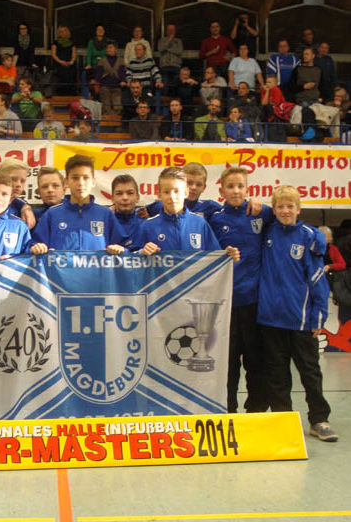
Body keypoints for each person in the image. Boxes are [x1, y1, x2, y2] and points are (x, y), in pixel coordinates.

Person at [258, 185, 337, 442]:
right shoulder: (266, 232)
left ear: (298, 209)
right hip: (270, 319)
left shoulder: (309, 237)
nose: (285, 211)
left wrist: (318, 316)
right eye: (280, 206)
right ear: (274, 209)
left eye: (290, 206)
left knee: (310, 372)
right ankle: (283, 420)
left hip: (301, 321)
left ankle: (319, 420)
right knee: (277, 374)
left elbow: (317, 280)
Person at [209, 167, 273, 413]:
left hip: (255, 302)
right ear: (221, 190)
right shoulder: (215, 219)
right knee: (228, 362)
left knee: (256, 360)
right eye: (230, 186)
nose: (236, 191)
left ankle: (257, 410)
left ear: (248, 189)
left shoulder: (262, 213)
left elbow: (288, 215)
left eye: (240, 186)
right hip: (225, 303)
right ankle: (228, 409)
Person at [136, 167, 239, 262]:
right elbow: (132, 260)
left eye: (176, 191)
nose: (172, 197)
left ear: (186, 193)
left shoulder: (200, 223)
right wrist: (141, 252)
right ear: (159, 195)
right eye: (166, 192)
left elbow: (215, 259)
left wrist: (229, 257)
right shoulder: (148, 226)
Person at [33, 154, 126, 253]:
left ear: (93, 181)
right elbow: (34, 246)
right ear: (66, 182)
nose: (81, 183)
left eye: (86, 178)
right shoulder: (51, 214)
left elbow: (125, 246)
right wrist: (37, 248)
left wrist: (121, 249)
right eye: (75, 178)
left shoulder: (106, 214)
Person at [142, 162, 222, 220]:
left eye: (199, 184)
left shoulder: (210, 207)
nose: (193, 187)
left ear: (204, 188)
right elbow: (139, 213)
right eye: (189, 183)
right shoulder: (160, 205)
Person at [0, 158, 35, 229]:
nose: (18, 184)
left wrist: (25, 205)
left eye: (22, 181)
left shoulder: (21, 210)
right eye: (13, 179)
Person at [111, 174, 144, 251]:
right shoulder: (106, 224)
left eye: (130, 193)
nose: (125, 198)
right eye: (119, 193)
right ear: (112, 198)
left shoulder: (146, 224)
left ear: (138, 197)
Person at [95, 41, 125, 115]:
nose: (109, 49)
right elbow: (98, 76)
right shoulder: (101, 61)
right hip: (105, 87)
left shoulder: (121, 61)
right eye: (107, 48)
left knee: (118, 106)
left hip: (117, 87)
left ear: (115, 49)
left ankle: (114, 119)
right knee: (106, 106)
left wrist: (122, 81)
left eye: (111, 47)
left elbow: (122, 74)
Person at [157, 24, 183, 96]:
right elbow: (160, 49)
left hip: (175, 65)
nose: (171, 31)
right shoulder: (162, 40)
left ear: (175, 31)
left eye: (172, 30)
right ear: (166, 31)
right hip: (165, 66)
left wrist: (167, 49)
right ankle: (165, 99)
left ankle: (175, 99)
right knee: (165, 85)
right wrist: (169, 42)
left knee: (176, 85)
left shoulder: (178, 41)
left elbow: (179, 51)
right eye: (169, 30)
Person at [51, 25, 76, 95]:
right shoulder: (55, 42)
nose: (63, 33)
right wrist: (61, 61)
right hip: (59, 65)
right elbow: (53, 54)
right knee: (60, 79)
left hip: (69, 65)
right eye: (61, 31)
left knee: (70, 77)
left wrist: (71, 61)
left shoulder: (71, 43)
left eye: (64, 31)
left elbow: (74, 55)